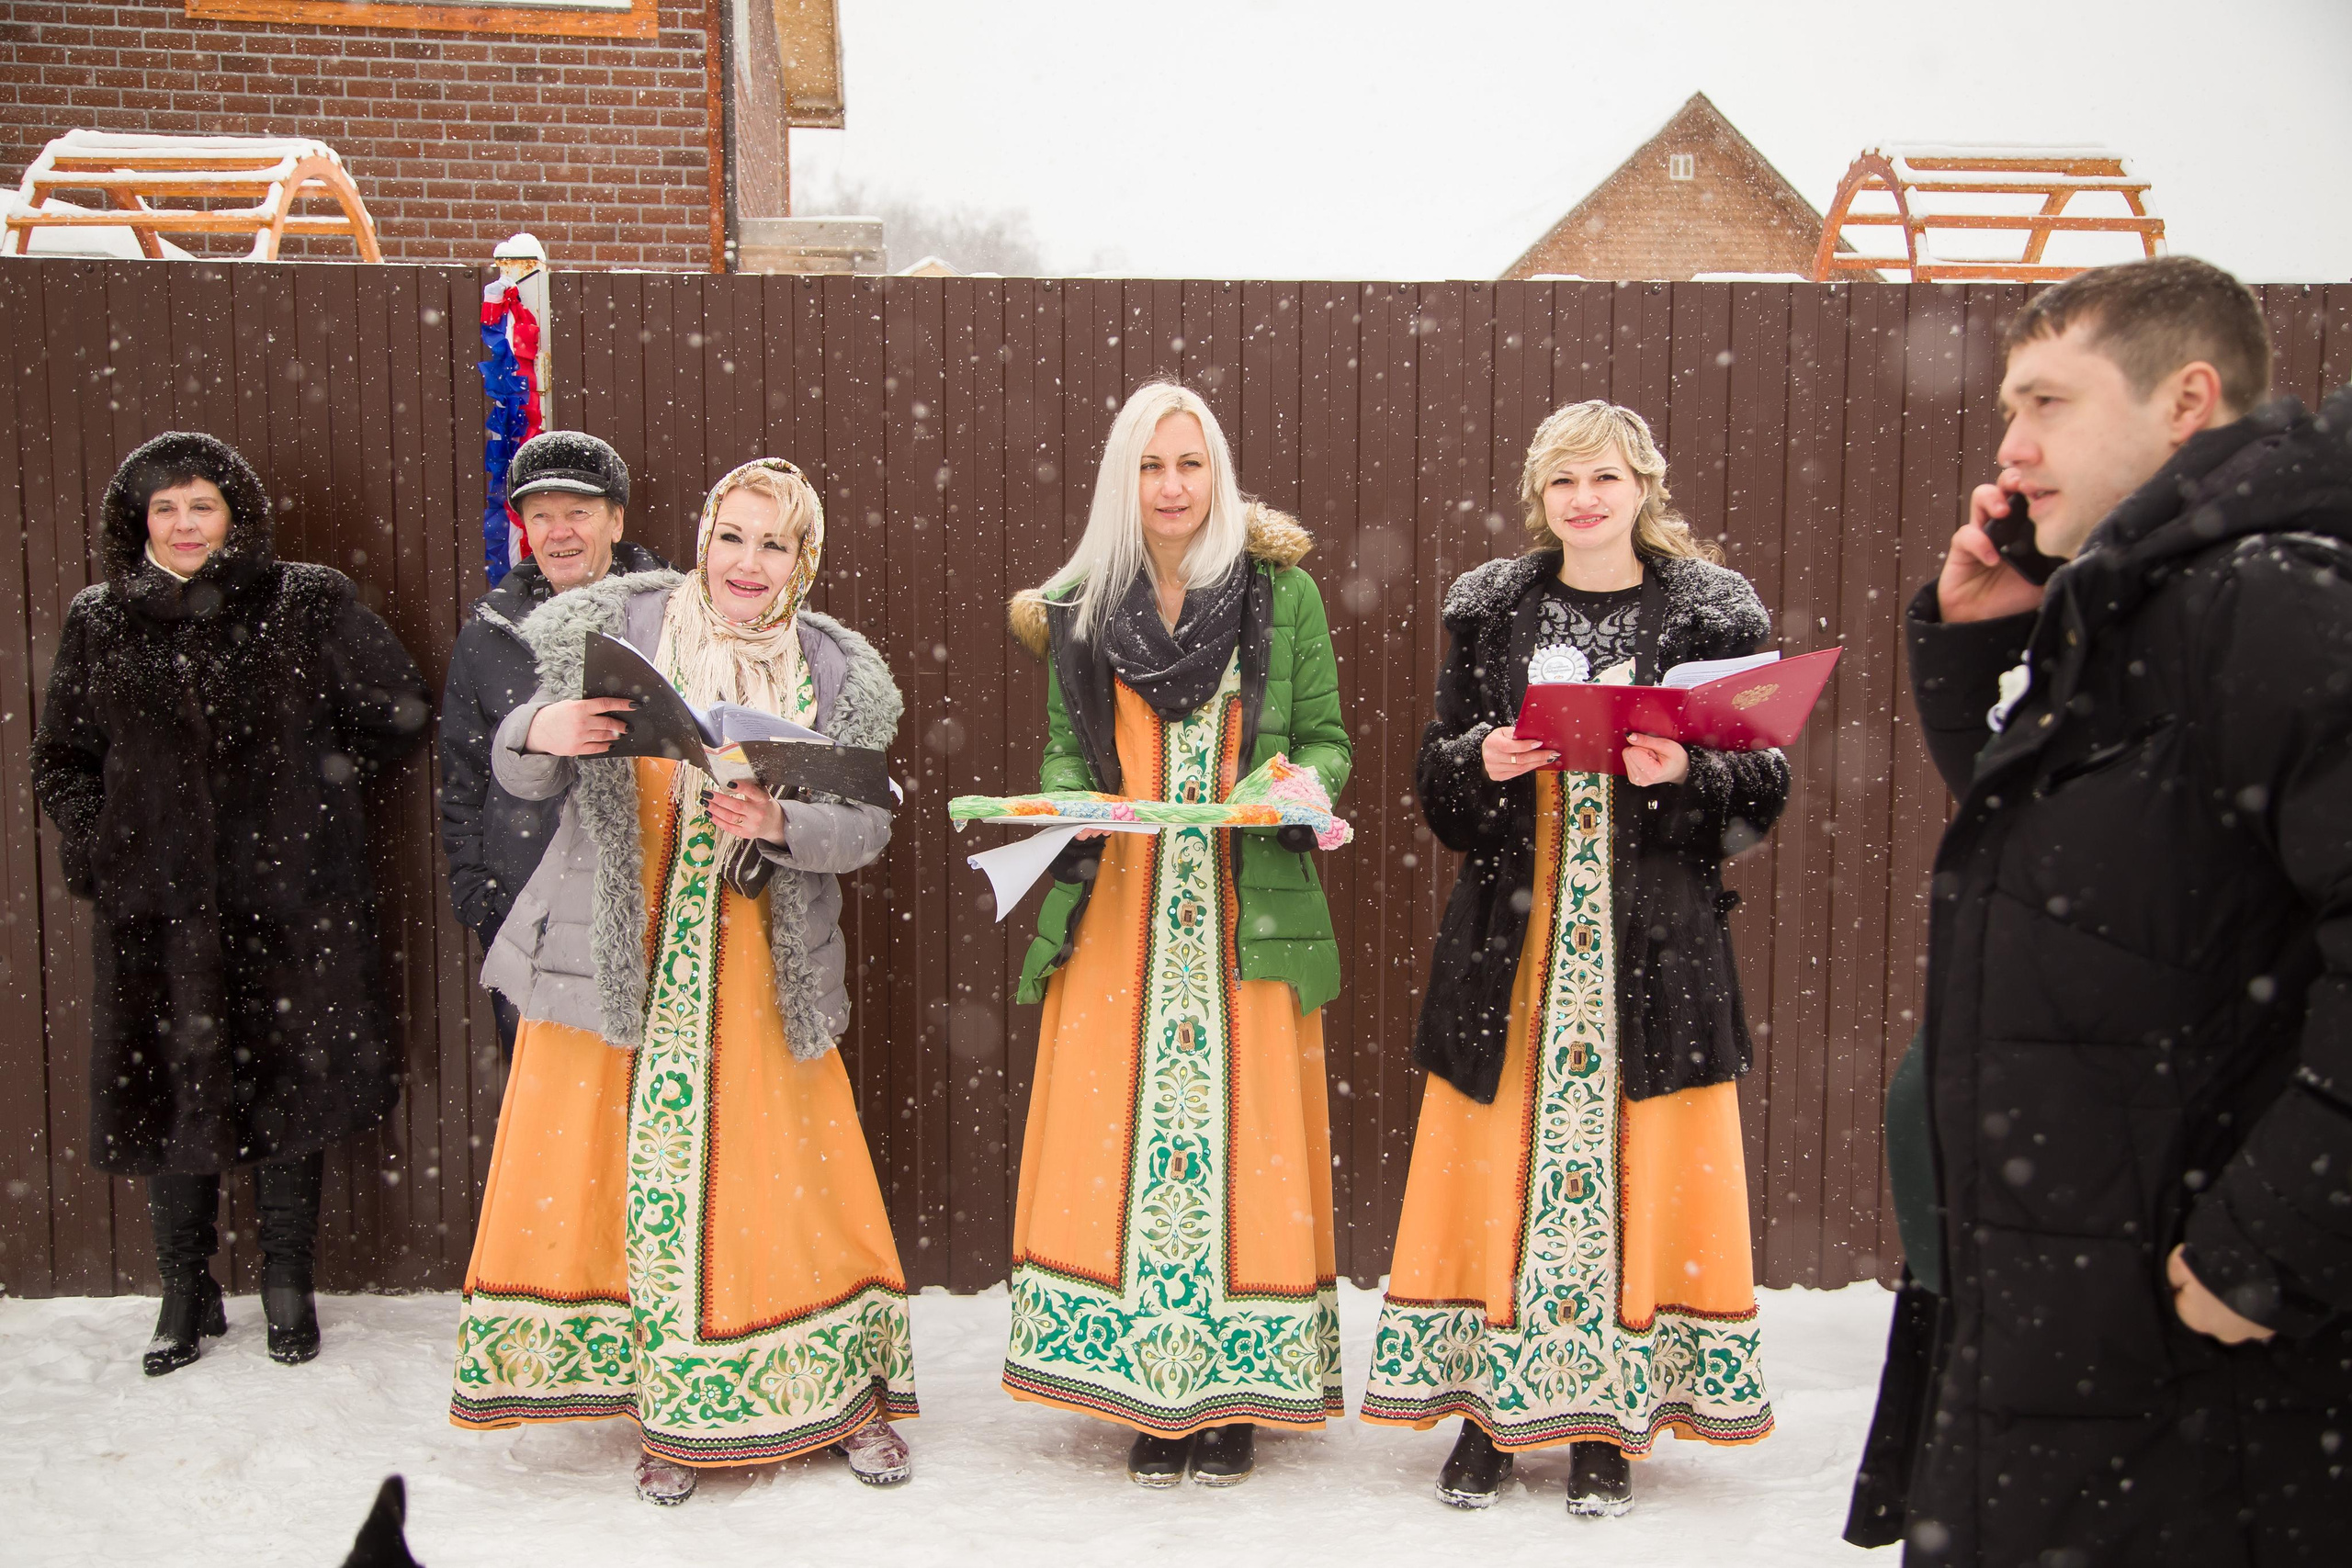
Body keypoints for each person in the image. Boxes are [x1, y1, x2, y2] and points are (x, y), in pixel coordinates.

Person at [1846, 256, 2352, 1563]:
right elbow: (2089, 895)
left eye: (2049, 402)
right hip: (2080, 1331)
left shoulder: (2278, 606)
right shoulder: (2136, 607)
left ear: (2188, 400)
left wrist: (2270, 1247)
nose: (2012, 446)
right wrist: (1980, 648)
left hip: (2204, 1372)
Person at [447, 457, 918, 1506]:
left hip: (758, 960)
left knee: (781, 1176)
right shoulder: (618, 623)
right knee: (625, 1179)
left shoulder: (834, 670)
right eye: (733, 536)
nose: (748, 562)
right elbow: (513, 767)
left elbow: (867, 825)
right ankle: (664, 1410)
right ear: (703, 537)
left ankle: (840, 1391)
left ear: (804, 559)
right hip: (625, 948)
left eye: (775, 542)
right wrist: (542, 727)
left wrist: (780, 820)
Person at [1360, 400, 1787, 1517]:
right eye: (1563, 483)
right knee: (1494, 1182)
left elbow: (1764, 789)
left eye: (1603, 478)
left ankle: (1608, 1426)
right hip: (1516, 947)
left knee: (1632, 1185)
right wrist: (1483, 758)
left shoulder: (1710, 609)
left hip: (1652, 951)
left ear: (1644, 485)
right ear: (1538, 497)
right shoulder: (1491, 609)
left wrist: (1683, 775)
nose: (1584, 500)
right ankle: (1488, 1420)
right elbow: (1436, 790)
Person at [1001, 381, 1351, 1488]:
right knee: (1118, 1142)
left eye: (1191, 464)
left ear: (1219, 474)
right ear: (1123, 478)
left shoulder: (1278, 595)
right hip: (1119, 912)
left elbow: (1329, 741)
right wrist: (1067, 803)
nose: (1172, 486)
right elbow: (1068, 748)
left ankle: (1233, 1389)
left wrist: (1293, 783)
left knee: (1244, 1149)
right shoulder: (1080, 603)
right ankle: (1144, 1389)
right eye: (1152, 466)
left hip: (1245, 908)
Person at [31, 431, 431, 1375]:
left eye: (199, 505)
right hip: (156, 907)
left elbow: (401, 709)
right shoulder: (103, 619)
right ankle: (187, 1288)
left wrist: (315, 803)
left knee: (292, 1081)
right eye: (163, 508)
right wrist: (108, 841)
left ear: (233, 515)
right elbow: (62, 759)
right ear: (137, 521)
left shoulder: (308, 601)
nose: (181, 524)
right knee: (170, 1086)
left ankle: (288, 1279)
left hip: (289, 899)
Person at [438, 430, 667, 1058]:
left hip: (652, 914)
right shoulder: (489, 635)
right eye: (541, 515)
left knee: (649, 1113)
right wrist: (480, 894)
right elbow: (461, 774)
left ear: (615, 520)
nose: (558, 532)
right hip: (529, 922)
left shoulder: (675, 619)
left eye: (578, 513)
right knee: (546, 1124)